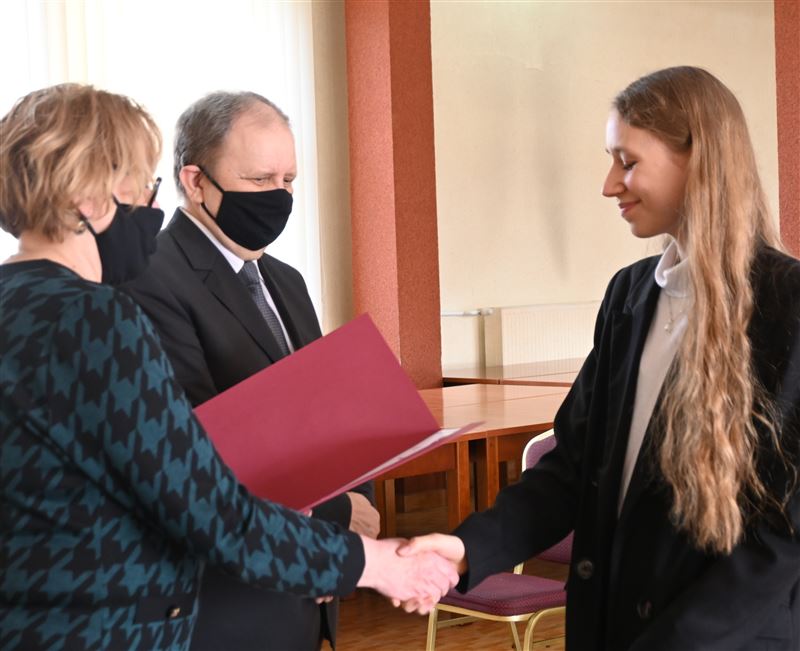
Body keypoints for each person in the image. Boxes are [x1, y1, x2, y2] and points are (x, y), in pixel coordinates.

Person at [0, 83, 458, 651]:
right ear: (87, 196)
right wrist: (376, 564)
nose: (152, 206)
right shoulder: (96, 316)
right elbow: (204, 505)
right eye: (141, 186)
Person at [401, 66, 800, 650]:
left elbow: (782, 537)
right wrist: (467, 548)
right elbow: (572, 471)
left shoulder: (787, 306)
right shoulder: (629, 296)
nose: (610, 185)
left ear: (699, 160)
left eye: (628, 162)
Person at [120, 90, 379, 651]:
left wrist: (351, 514)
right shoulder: (149, 277)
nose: (279, 197)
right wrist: (333, 518)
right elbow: (198, 439)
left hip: (303, 590)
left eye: (288, 181)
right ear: (195, 181)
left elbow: (326, 417)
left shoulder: (288, 281)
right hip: (224, 596)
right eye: (261, 180)